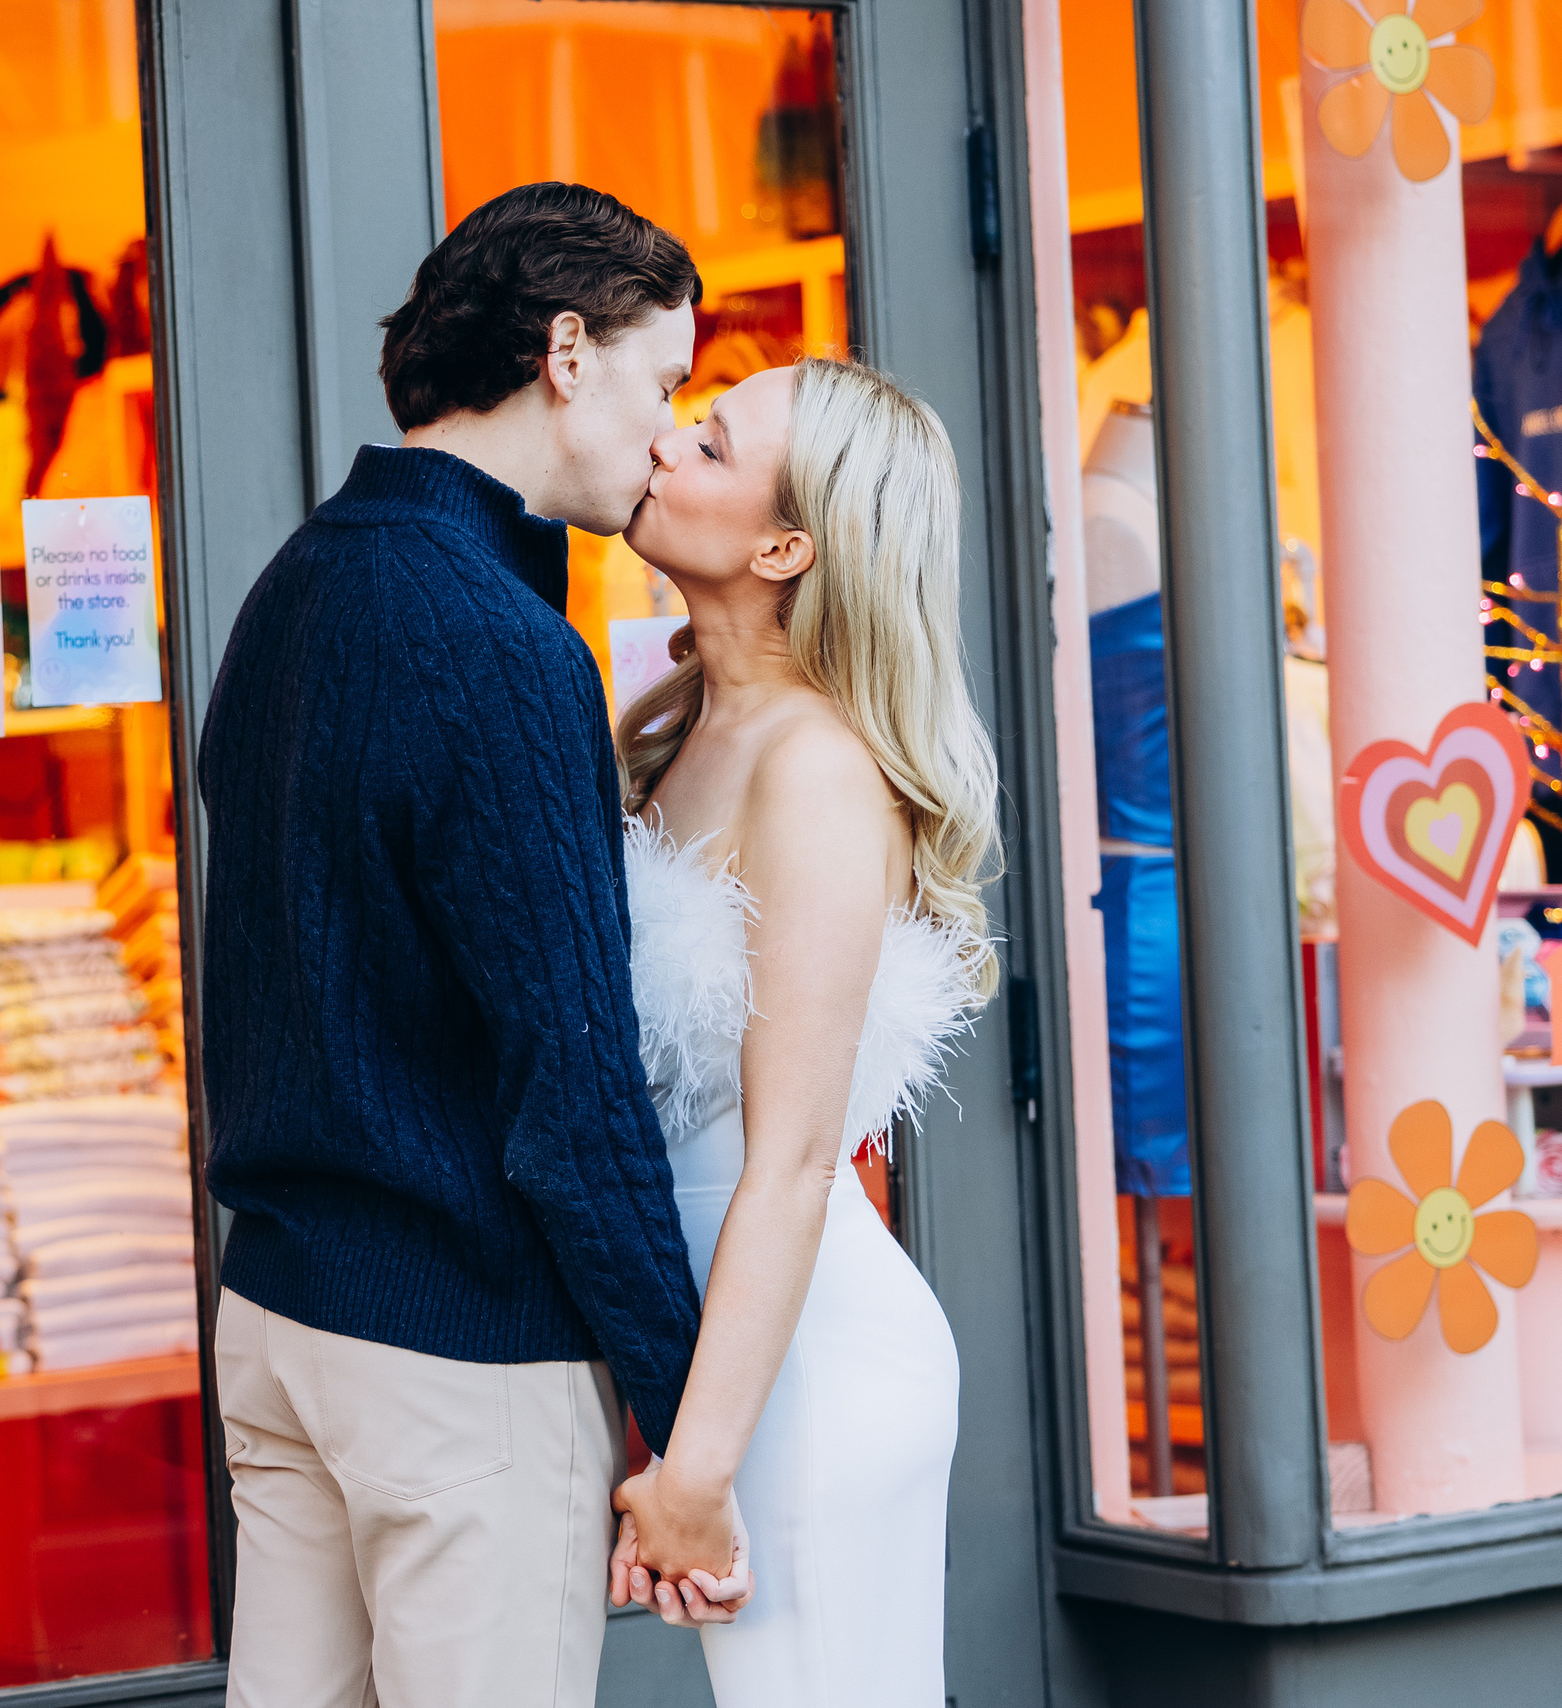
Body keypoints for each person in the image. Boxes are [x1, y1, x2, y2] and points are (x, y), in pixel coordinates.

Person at [197, 182, 734, 1708]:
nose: (664, 431)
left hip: (285, 1320)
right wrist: (686, 1420)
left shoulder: (300, 583)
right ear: (569, 352)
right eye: (664, 379)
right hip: (458, 1354)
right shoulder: (500, 648)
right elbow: (574, 1094)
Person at [605, 355, 1000, 1704]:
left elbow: (791, 1157)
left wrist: (697, 1460)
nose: (664, 446)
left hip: (811, 1370)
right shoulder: (677, 733)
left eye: (710, 446)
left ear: (785, 545)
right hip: (731, 1357)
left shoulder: (817, 769)